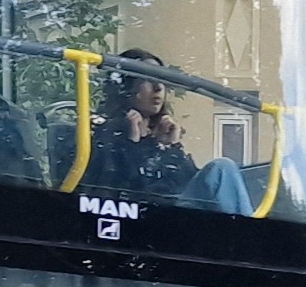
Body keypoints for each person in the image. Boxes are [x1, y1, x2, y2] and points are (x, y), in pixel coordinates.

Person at [90, 51, 254, 215]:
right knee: (222, 168)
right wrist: (131, 143)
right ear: (125, 87)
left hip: (177, 217)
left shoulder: (163, 136)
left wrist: (171, 147)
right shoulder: (105, 136)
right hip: (145, 219)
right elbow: (109, 193)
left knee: (228, 171)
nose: (158, 87)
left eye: (161, 79)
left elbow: (186, 185)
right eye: (148, 79)